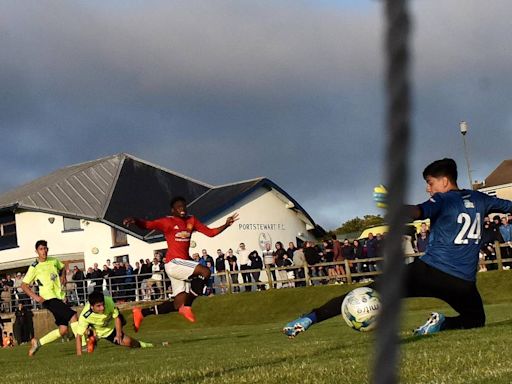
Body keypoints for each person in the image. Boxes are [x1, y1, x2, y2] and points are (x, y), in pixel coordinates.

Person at [283, 158, 512, 338]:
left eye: (430, 183)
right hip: (462, 282)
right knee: (475, 320)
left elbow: (417, 212)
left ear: (444, 181)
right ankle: (442, 323)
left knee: (369, 291)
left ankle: (309, 318)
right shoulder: (480, 198)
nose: (428, 189)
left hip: (429, 272)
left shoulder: (444, 200)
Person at [124, 196, 238, 330]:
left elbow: (211, 233)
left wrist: (226, 224)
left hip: (182, 264)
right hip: (174, 263)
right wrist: (135, 220)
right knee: (205, 272)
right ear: (173, 210)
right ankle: (188, 306)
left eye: (184, 206)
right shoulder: (168, 221)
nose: (182, 209)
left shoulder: (191, 220)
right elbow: (147, 225)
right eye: (178, 207)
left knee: (178, 303)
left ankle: (141, 313)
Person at [21, 240, 79, 356]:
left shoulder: (53, 260)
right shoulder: (34, 267)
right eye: (41, 249)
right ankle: (82, 345)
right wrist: (36, 297)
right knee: (73, 316)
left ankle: (38, 343)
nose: (44, 251)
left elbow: (62, 268)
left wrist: (63, 277)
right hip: (48, 299)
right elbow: (24, 285)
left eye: (45, 248)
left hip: (58, 296)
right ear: (36, 251)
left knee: (63, 330)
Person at [74, 291, 152, 356]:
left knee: (129, 342)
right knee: (88, 334)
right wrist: (79, 355)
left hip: (110, 329)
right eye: (98, 306)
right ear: (91, 306)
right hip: (97, 330)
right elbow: (79, 336)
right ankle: (92, 338)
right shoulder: (85, 316)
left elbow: (117, 317)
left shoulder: (108, 301)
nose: (102, 308)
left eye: (103, 304)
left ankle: (143, 345)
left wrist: (118, 335)